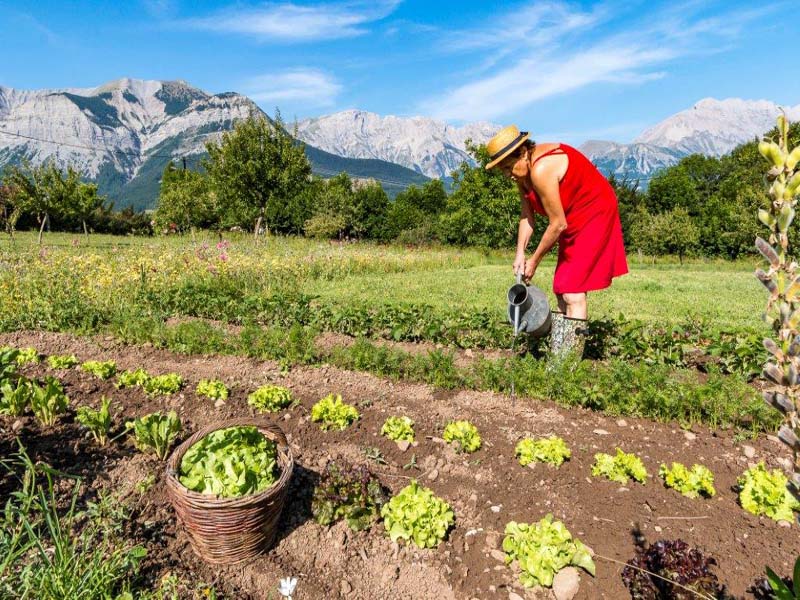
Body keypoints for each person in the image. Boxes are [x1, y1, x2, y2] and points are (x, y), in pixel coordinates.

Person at [485, 125, 628, 357]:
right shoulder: (523, 175)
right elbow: (527, 217)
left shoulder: (541, 169)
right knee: (562, 286)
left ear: (522, 153)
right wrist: (520, 254)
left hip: (593, 212)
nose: (508, 174)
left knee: (573, 291)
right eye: (503, 170)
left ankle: (569, 362)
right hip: (571, 216)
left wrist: (534, 260)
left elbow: (557, 224)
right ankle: (562, 353)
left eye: (508, 167)